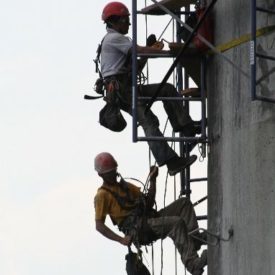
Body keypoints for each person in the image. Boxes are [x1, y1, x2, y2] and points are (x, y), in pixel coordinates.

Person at [98, 1, 201, 176]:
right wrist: (166, 53)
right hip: (122, 90)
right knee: (148, 122)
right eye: (125, 20)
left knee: (166, 90)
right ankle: (171, 162)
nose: (129, 23)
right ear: (114, 21)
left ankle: (184, 125)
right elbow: (139, 51)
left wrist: (150, 51)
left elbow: (135, 68)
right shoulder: (114, 39)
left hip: (126, 88)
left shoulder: (117, 41)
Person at [93, 152, 207, 275]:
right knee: (175, 224)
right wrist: (121, 240)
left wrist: (153, 180)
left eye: (114, 170)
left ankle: (194, 239)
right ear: (101, 175)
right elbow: (99, 226)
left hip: (149, 219)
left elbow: (149, 203)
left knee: (184, 203)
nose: (114, 174)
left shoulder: (125, 186)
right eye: (110, 173)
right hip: (139, 230)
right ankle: (193, 265)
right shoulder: (102, 195)